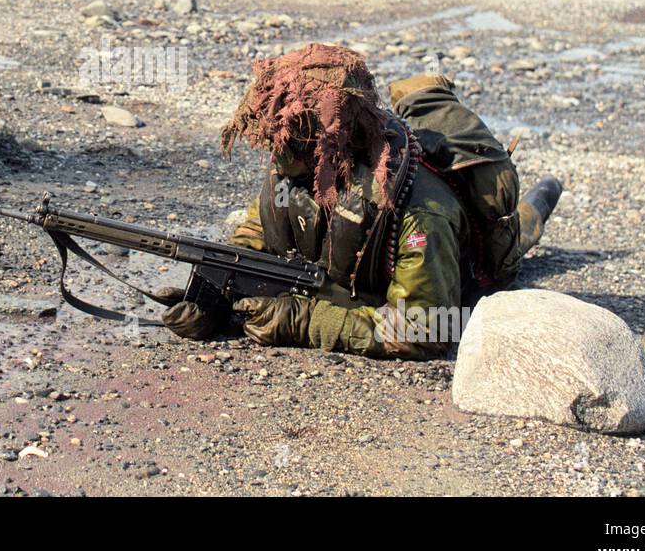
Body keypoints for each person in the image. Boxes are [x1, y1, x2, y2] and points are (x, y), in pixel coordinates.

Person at [158, 44, 561, 358]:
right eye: (271, 141)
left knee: (524, 228)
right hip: (356, 274)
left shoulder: (419, 213)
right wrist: (216, 294)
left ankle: (546, 193)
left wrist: (305, 324)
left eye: (289, 143)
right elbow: (256, 234)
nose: (275, 156)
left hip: (469, 265)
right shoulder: (300, 170)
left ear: (331, 142)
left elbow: (427, 328)